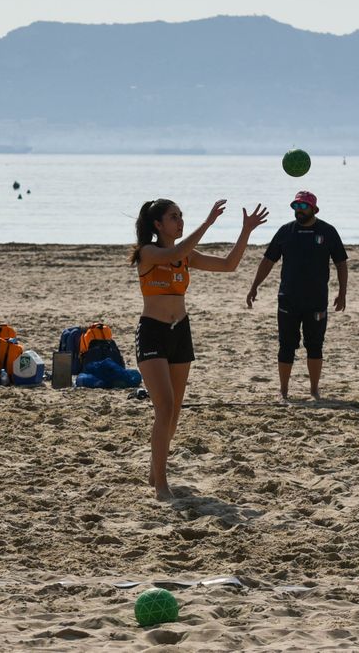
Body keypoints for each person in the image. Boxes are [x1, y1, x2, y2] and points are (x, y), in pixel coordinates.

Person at [132, 198, 269, 500]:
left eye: (181, 216)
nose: (180, 222)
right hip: (153, 332)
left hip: (180, 331)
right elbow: (174, 252)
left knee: (174, 413)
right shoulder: (148, 252)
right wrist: (208, 223)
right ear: (158, 224)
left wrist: (245, 231)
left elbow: (229, 265)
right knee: (164, 407)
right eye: (173, 217)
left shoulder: (186, 256)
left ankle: (155, 471)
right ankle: (161, 486)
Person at [246, 190, 349, 401]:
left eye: (303, 206)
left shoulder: (327, 231)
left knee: (315, 346)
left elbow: (341, 263)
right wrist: (254, 286)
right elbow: (268, 261)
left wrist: (342, 293)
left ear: (313, 209)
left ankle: (314, 390)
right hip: (288, 299)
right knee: (286, 346)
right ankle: (283, 391)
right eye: (295, 206)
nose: (298, 210)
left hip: (316, 300)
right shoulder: (286, 232)